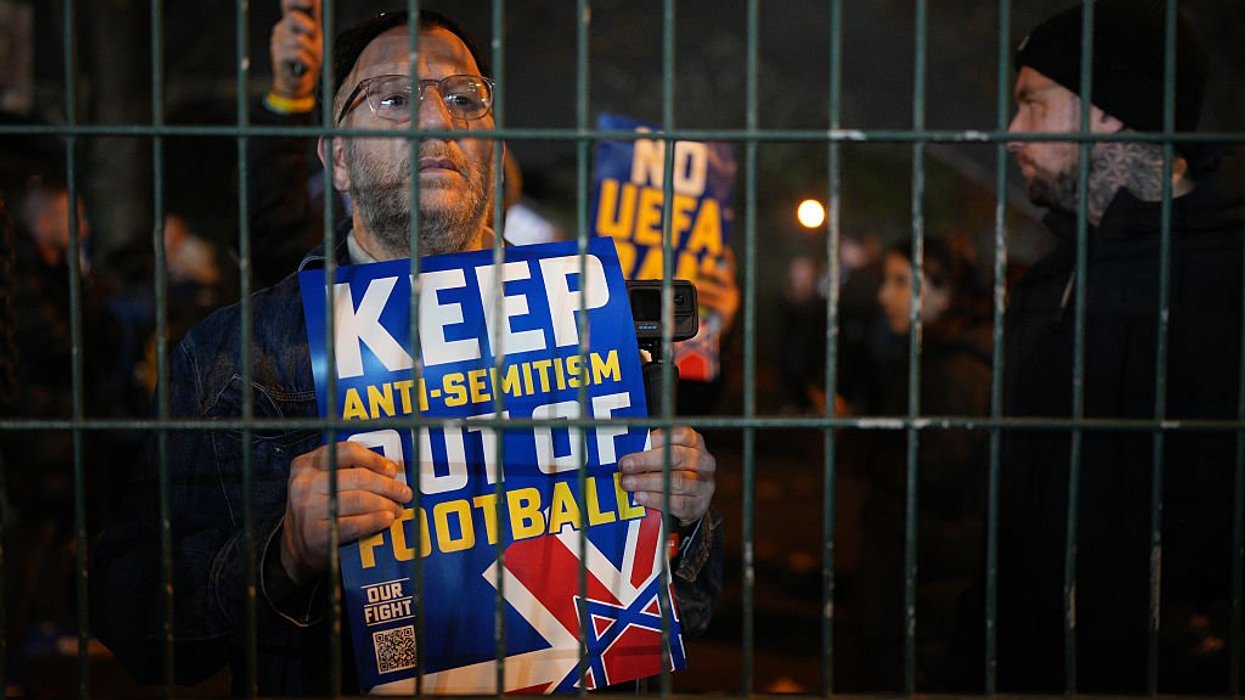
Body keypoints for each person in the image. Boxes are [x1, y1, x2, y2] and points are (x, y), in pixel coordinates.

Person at [92, 10, 723, 696]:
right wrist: (283, 556)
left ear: (491, 144)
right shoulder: (232, 357)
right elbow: (138, 626)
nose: (436, 121)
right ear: (336, 156)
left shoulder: (592, 327)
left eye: (463, 99)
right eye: (393, 98)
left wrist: (682, 523)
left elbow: (679, 614)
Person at [998, 0, 1243, 692]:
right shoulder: (1050, 279)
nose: (1009, 134)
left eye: (1033, 106)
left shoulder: (1224, 280)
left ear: (1108, 110)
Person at [842, 236, 991, 691]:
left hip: (928, 583)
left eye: (903, 282)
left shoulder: (955, 373)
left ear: (945, 292)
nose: (887, 294)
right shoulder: (933, 361)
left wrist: (864, 440)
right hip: (920, 576)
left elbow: (935, 473)